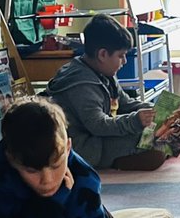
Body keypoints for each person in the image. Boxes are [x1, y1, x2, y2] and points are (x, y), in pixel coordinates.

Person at [47, 14, 167, 171]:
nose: (124, 61)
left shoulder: (103, 72)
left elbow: (125, 103)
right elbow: (98, 125)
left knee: (160, 136)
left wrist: (155, 109)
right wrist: (136, 121)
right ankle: (121, 161)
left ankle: (141, 154)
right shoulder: (81, 84)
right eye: (121, 56)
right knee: (152, 143)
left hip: (97, 138)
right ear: (102, 54)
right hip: (85, 147)